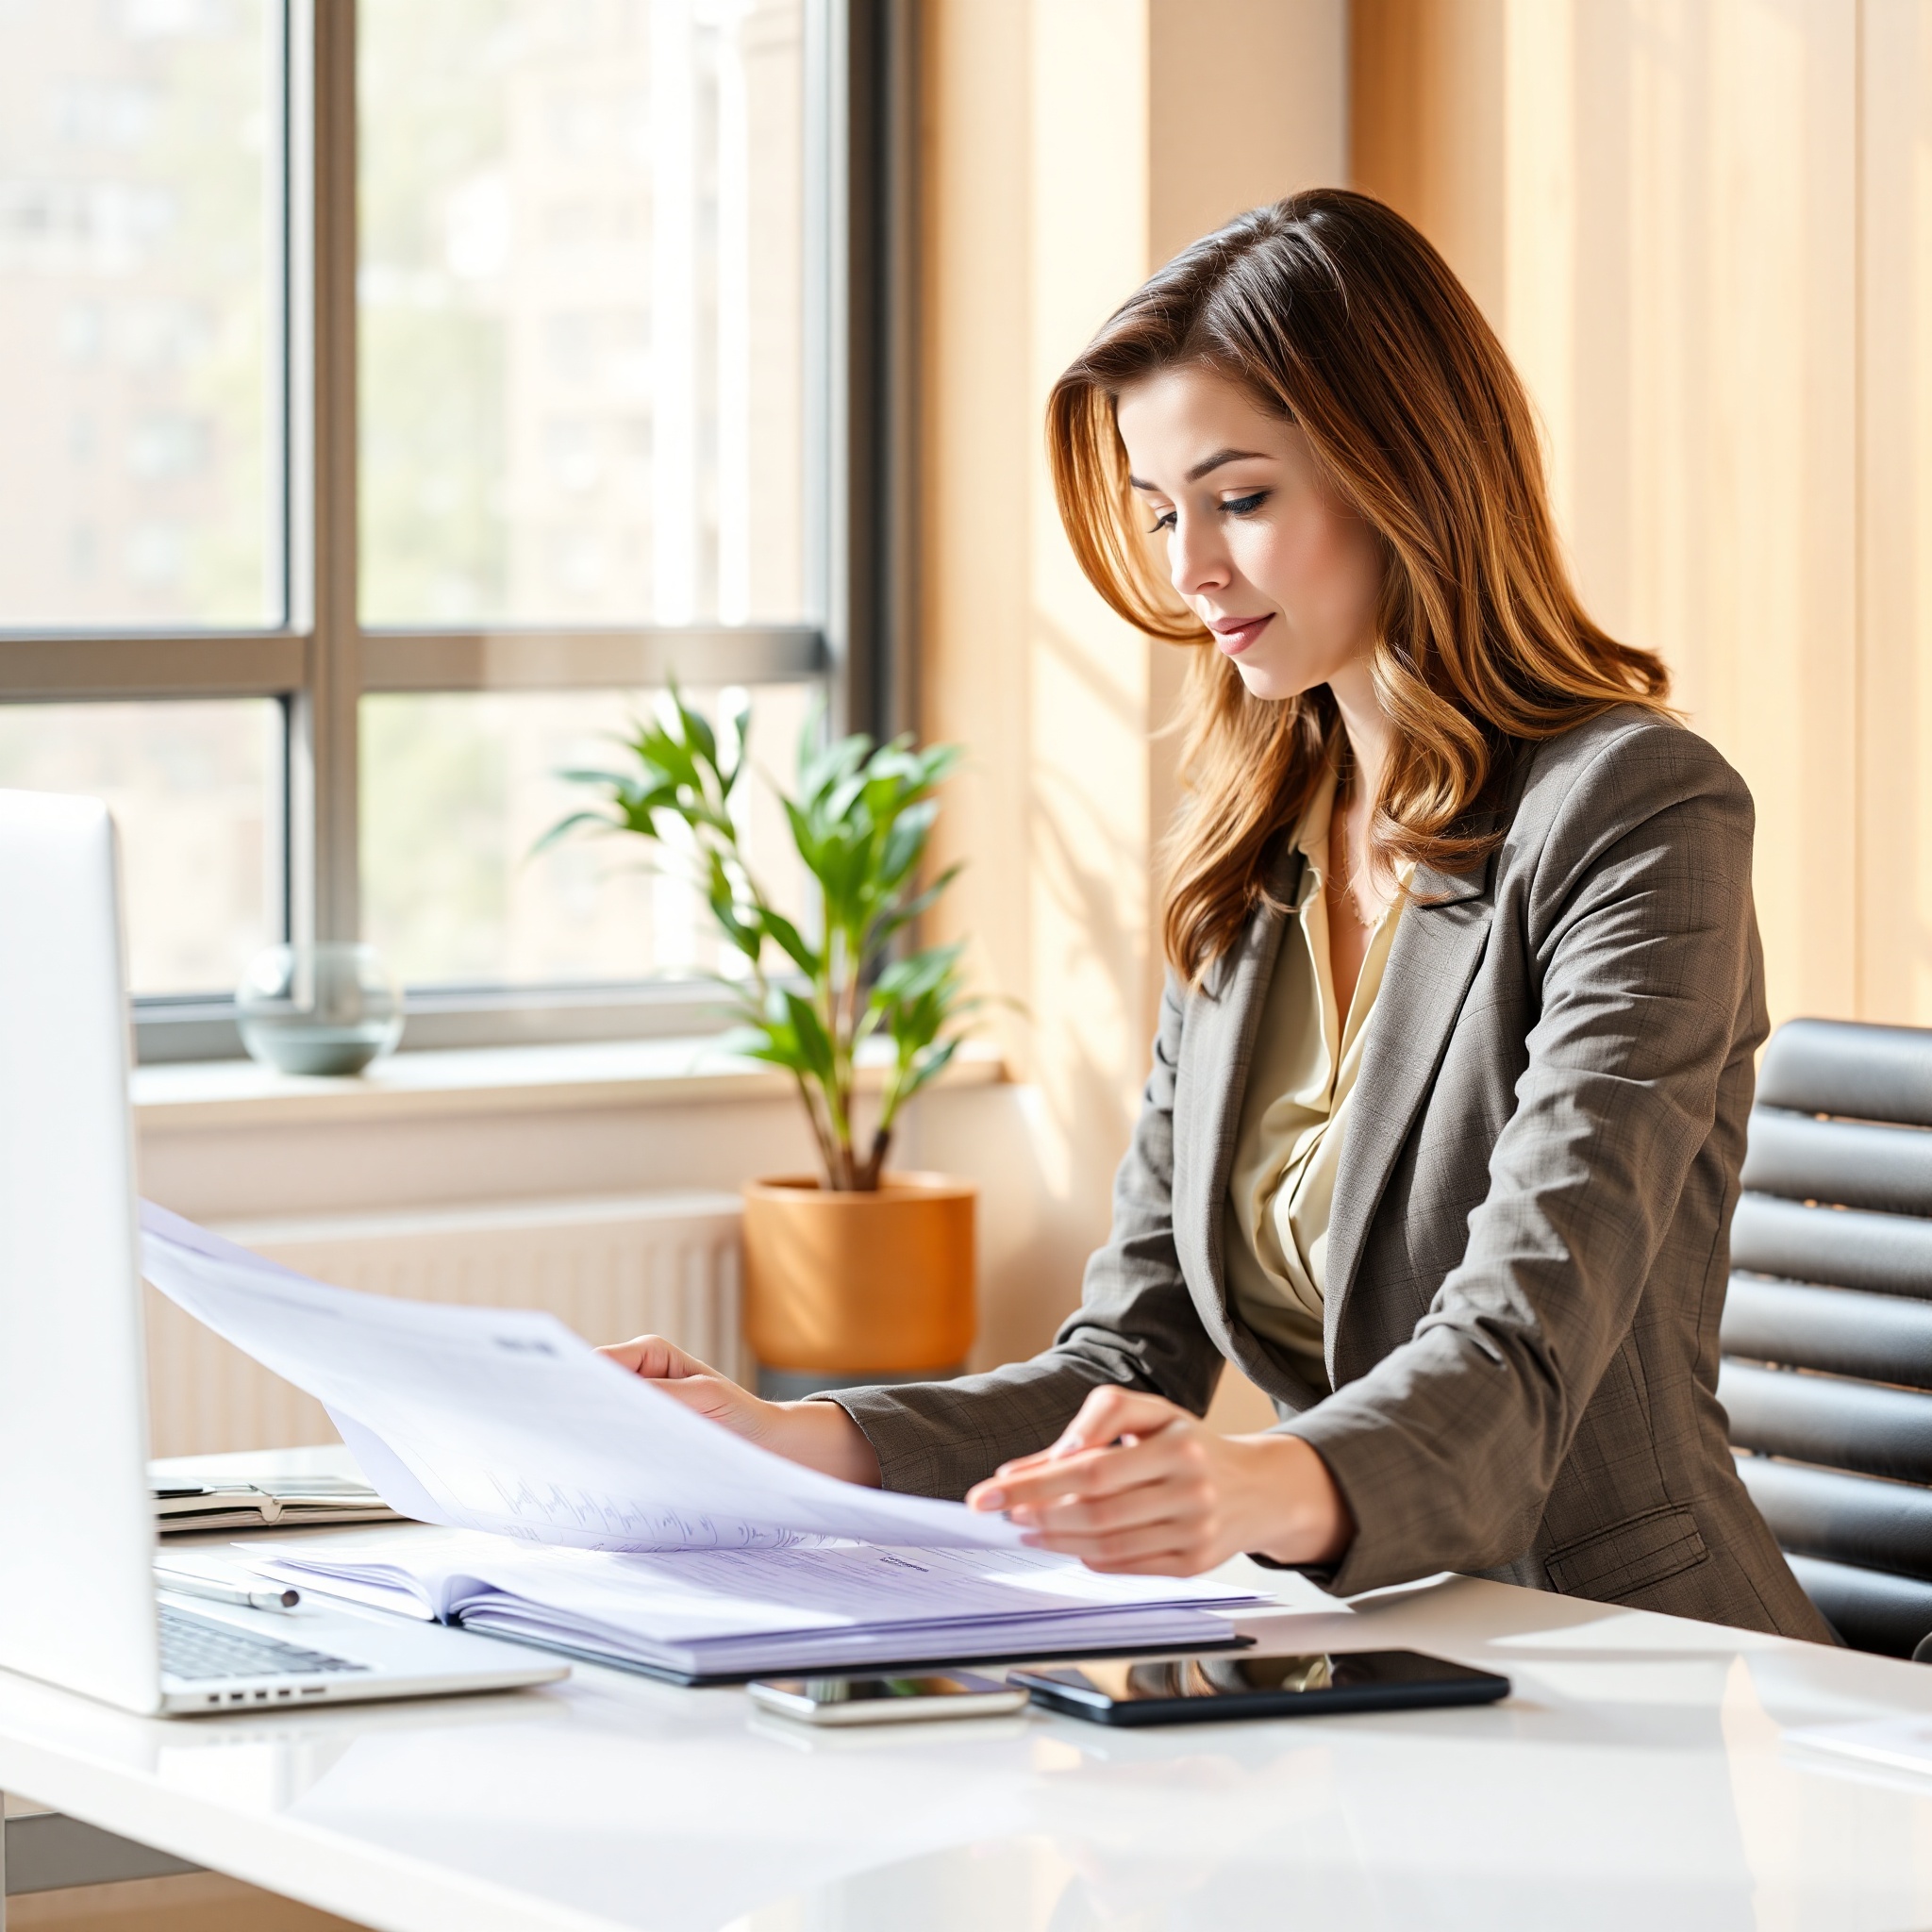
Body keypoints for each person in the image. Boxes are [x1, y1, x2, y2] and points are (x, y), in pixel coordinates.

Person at [604, 189, 1833, 1641]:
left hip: (1632, 1654)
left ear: (1405, 474)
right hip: (1369, 1653)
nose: (1190, 571)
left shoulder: (1638, 811)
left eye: (1240, 500)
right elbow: (1128, 1357)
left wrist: (1255, 1487)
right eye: (1162, 513)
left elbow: (1520, 1359)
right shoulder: (1258, 857)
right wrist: (787, 1439)